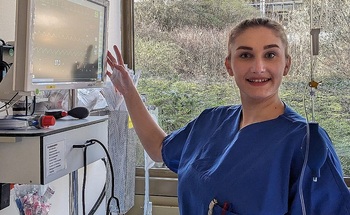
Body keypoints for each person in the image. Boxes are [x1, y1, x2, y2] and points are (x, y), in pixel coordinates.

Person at [106, 18, 350, 214]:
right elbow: (158, 148)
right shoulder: (210, 122)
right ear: (229, 65)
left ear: (286, 65)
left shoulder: (305, 143)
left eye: (270, 55)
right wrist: (128, 90)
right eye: (245, 55)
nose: (258, 67)